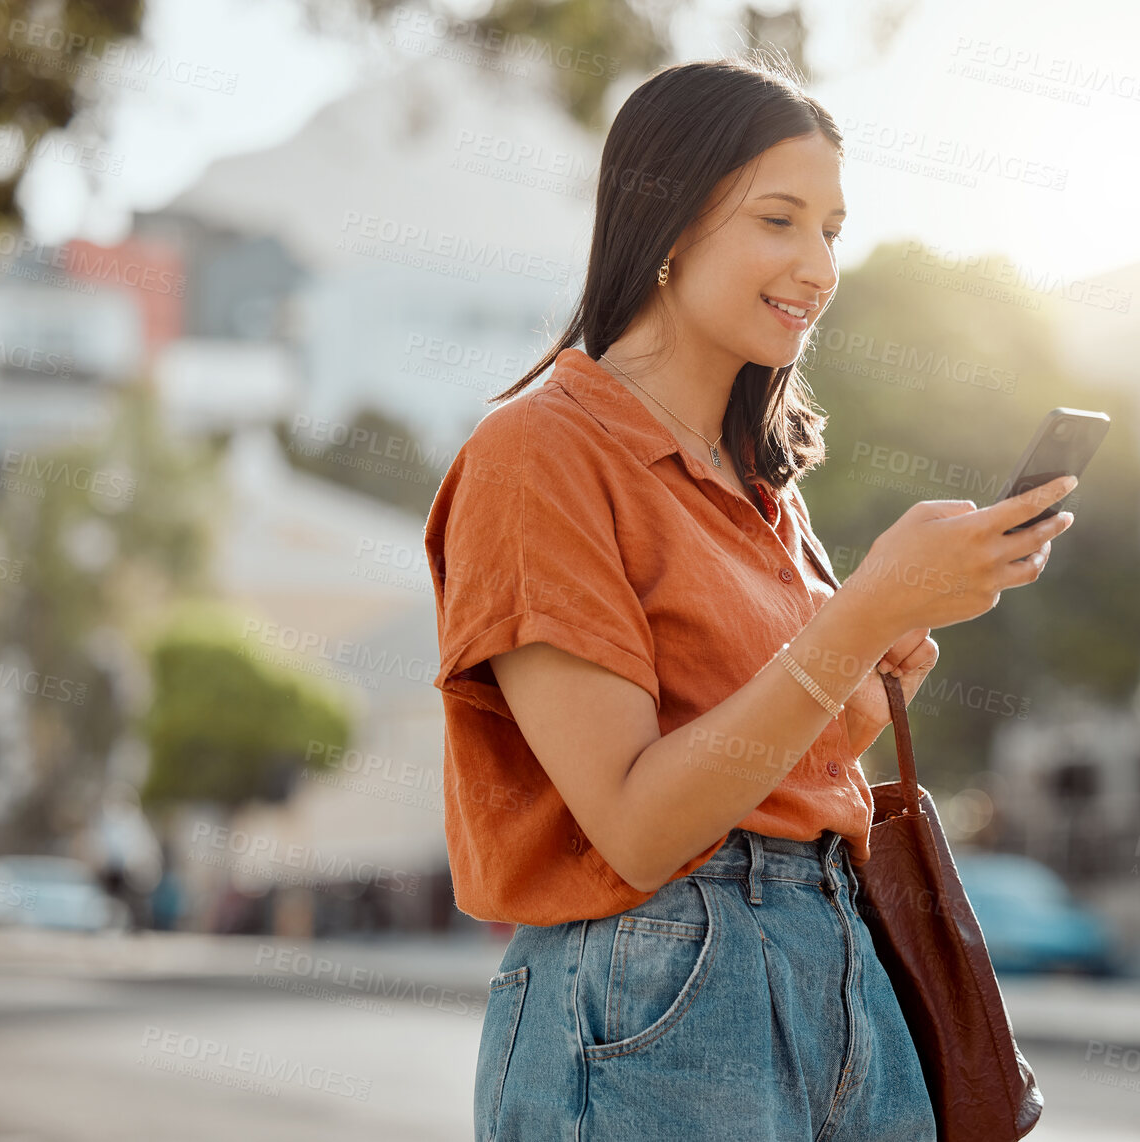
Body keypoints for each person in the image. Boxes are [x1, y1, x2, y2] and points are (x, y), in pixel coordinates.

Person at [424, 52, 1077, 1142]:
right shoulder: (536, 454)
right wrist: (858, 617)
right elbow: (636, 825)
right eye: (779, 220)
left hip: (840, 963)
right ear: (669, 224)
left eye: (831, 229)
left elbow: (782, 756)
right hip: (658, 984)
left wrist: (884, 650)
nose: (818, 266)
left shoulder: (761, 488)